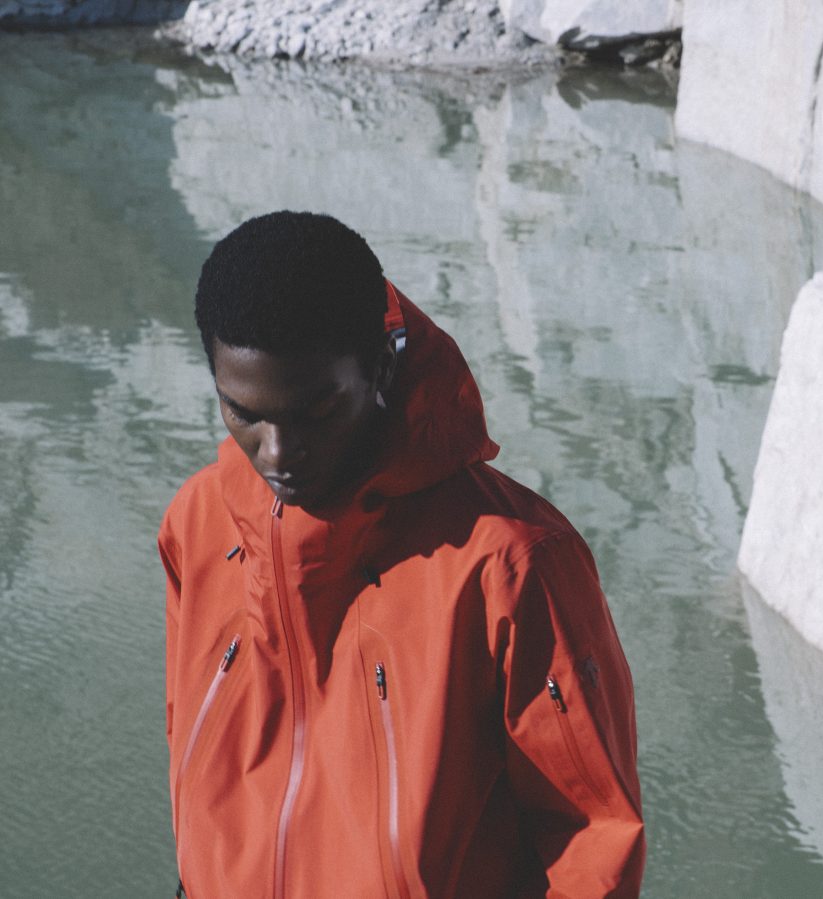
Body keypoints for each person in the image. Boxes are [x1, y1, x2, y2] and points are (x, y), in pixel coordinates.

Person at [158, 211, 645, 898]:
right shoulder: (198, 522)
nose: (277, 453)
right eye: (244, 412)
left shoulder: (510, 565)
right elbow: (190, 746)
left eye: (315, 412)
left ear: (382, 363)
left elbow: (592, 843)